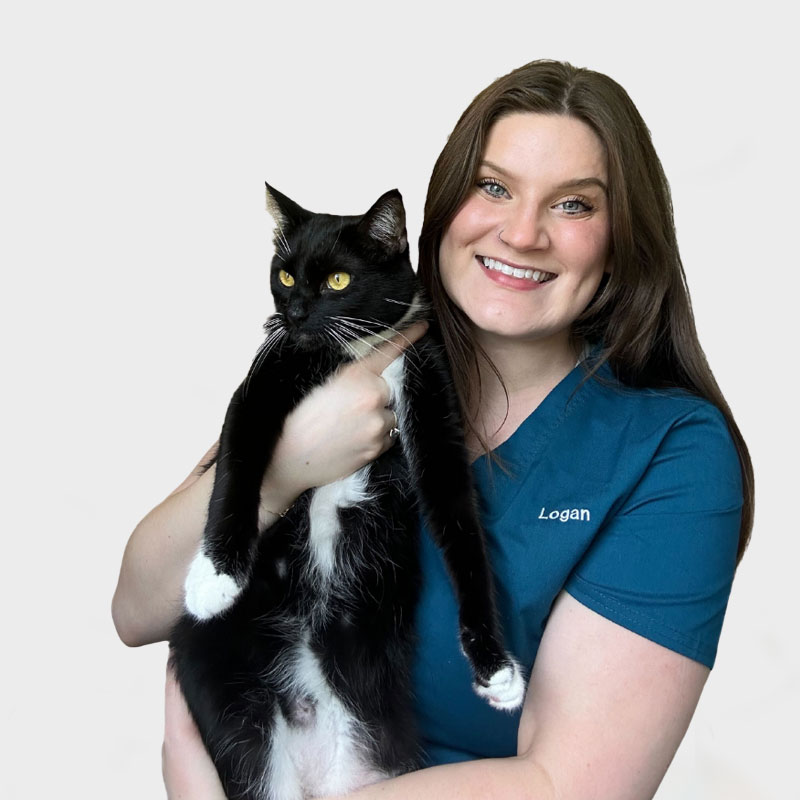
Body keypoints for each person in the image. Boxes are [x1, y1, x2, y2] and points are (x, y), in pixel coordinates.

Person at [113, 59, 754, 799]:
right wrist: (281, 470)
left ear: (622, 239)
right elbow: (137, 609)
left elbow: (571, 785)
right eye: (493, 186)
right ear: (445, 207)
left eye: (573, 205)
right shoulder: (352, 353)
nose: (521, 232)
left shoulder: (669, 452)